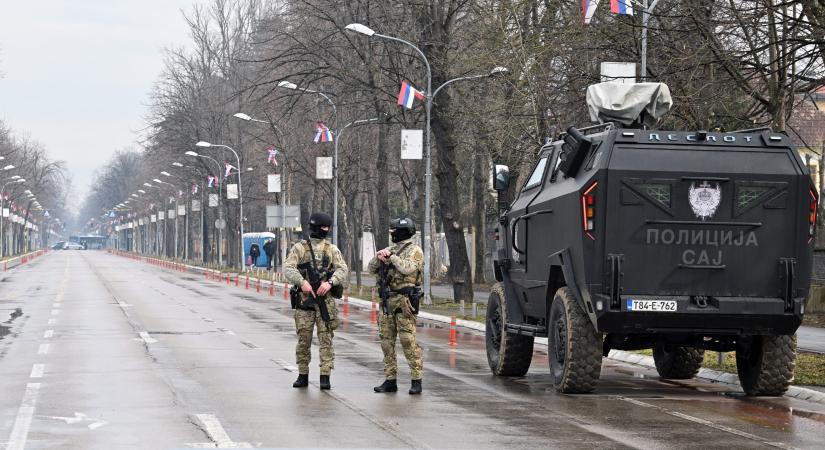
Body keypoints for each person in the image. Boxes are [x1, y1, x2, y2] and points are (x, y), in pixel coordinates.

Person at [283, 212, 348, 390]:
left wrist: (330, 283)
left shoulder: (331, 249)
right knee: (303, 340)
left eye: (328, 228)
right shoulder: (300, 248)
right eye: (324, 228)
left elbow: (342, 269)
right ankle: (303, 375)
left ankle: (325, 376)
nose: (326, 231)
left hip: (325, 302)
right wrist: (302, 282)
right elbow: (288, 268)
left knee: (326, 340)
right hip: (304, 303)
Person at [369, 217, 424, 395]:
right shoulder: (389, 250)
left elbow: (408, 269)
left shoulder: (414, 250)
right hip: (387, 301)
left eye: (394, 232)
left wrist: (392, 258)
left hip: (404, 301)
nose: (392, 235)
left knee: (408, 341)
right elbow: (371, 269)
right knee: (386, 342)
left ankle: (416, 379)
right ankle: (390, 380)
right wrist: (379, 257)